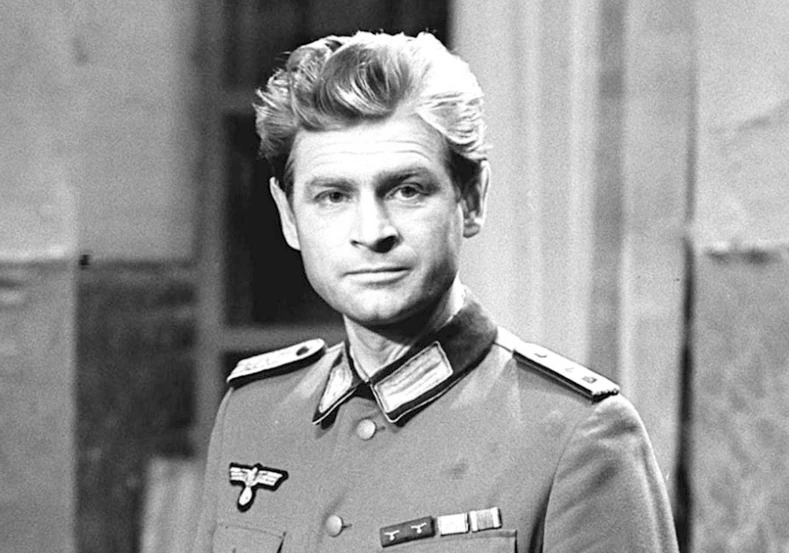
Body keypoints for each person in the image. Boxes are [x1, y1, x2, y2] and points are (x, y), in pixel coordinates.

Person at [193, 31, 680, 553]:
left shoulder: (576, 434)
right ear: (289, 216)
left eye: (407, 190)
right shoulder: (253, 413)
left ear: (471, 200)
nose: (372, 232)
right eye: (333, 196)